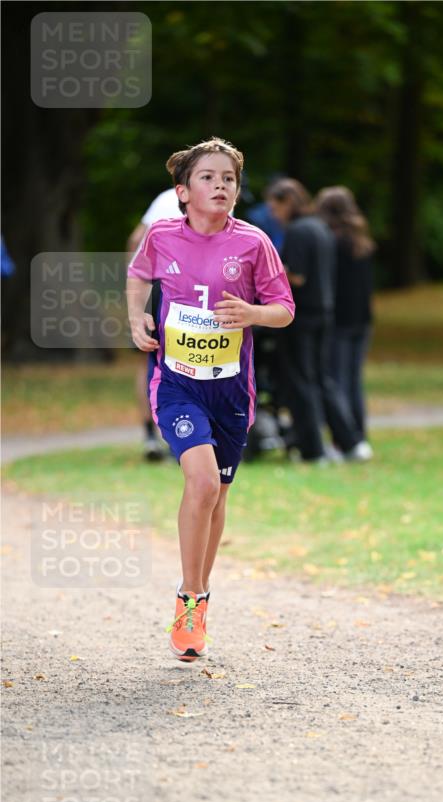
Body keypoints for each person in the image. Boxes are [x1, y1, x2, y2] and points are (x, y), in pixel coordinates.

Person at [126, 138, 294, 661]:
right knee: (199, 482)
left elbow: (285, 308)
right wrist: (138, 319)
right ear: (182, 191)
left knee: (216, 495)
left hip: (230, 391)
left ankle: (199, 592)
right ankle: (190, 599)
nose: (220, 185)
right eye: (208, 177)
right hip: (177, 383)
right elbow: (137, 276)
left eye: (229, 179)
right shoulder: (162, 237)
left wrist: (252, 313)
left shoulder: (253, 243)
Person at [266, 178, 367, 464]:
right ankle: (351, 441)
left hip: (300, 315)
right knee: (323, 379)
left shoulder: (298, 231)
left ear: (288, 202)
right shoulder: (320, 228)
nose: (274, 214)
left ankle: (313, 449)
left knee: (301, 381)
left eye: (276, 207)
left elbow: (297, 275)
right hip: (324, 311)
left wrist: (268, 273)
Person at [315, 186, 375, 459]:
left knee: (336, 380)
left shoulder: (331, 241)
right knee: (353, 380)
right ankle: (358, 434)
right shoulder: (362, 241)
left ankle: (346, 437)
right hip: (362, 319)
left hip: (339, 319)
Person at [127, 189, 182, 460]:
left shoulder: (163, 197)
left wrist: (133, 282)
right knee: (180, 359)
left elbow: (135, 238)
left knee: (146, 360)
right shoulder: (219, 200)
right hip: (179, 286)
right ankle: (178, 435)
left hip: (150, 283)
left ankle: (150, 435)